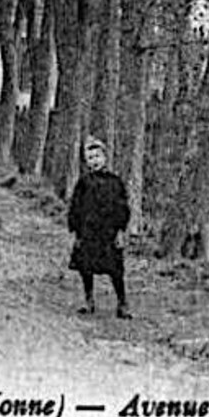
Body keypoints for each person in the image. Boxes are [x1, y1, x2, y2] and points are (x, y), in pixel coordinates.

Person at [68, 136, 130, 318]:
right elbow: (76, 206)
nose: (94, 161)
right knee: (86, 267)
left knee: (115, 270)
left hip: (109, 232)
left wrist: (120, 230)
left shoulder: (115, 182)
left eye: (97, 157)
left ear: (104, 157)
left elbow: (122, 207)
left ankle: (122, 303)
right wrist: (75, 229)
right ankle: (88, 300)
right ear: (86, 162)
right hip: (88, 231)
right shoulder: (83, 183)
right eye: (90, 158)